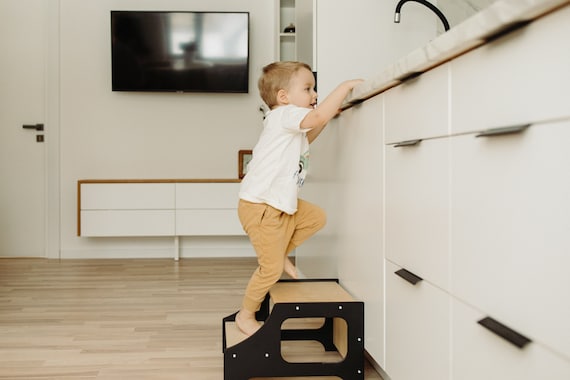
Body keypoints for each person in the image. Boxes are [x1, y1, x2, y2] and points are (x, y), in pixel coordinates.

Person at [236, 61, 363, 336]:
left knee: (316, 218)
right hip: (261, 207)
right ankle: (245, 315)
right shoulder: (284, 115)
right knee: (269, 270)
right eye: (308, 88)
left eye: (314, 89)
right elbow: (315, 119)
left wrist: (328, 115)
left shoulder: (289, 122)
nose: (315, 95)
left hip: (279, 203)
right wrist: (342, 88)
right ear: (284, 97)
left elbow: (312, 131)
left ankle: (279, 252)